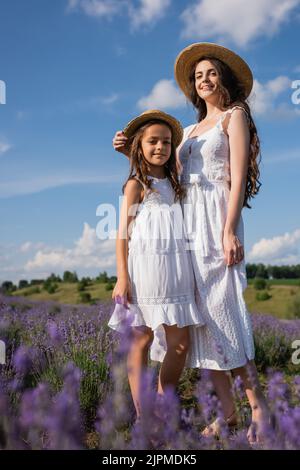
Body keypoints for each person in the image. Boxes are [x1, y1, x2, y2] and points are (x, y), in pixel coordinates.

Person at [112, 43, 269, 444]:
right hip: (185, 229)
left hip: (216, 221)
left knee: (224, 313)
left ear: (225, 79)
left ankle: (259, 409)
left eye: (211, 73)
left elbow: (234, 178)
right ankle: (228, 413)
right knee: (200, 323)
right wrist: (128, 145)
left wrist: (230, 228)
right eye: (198, 76)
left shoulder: (235, 117)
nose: (204, 80)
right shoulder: (190, 131)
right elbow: (160, 172)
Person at [108, 109, 205, 420]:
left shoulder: (175, 182)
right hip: (144, 269)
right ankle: (143, 414)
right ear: (140, 145)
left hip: (176, 269)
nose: (160, 147)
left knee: (180, 341)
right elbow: (122, 234)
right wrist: (122, 277)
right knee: (142, 337)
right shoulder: (136, 184)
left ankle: (163, 402)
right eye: (153, 142)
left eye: (166, 142)